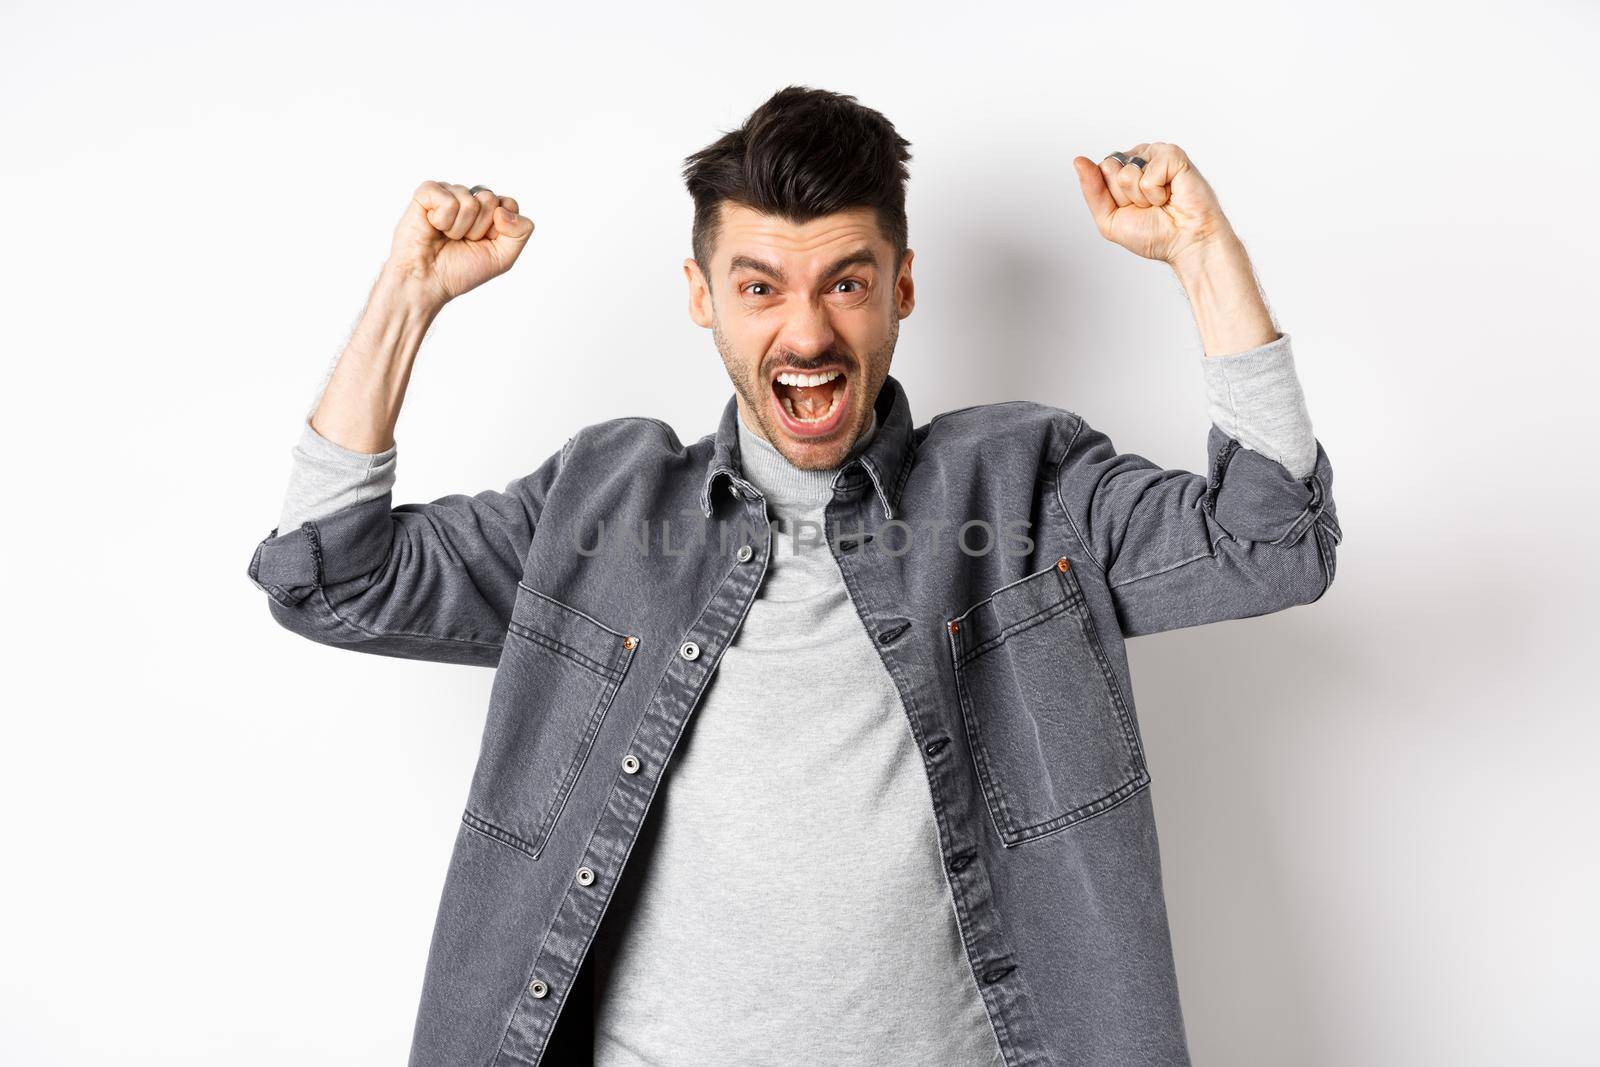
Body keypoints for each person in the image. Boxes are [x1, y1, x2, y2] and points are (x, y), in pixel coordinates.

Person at [247, 85, 1341, 1067]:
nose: (806, 330)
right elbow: (328, 576)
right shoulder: (599, 501)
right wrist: (407, 294)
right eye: (760, 285)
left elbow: (1269, 545)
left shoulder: (1028, 485)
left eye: (846, 282)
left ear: (901, 286)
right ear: (702, 295)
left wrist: (1203, 254)